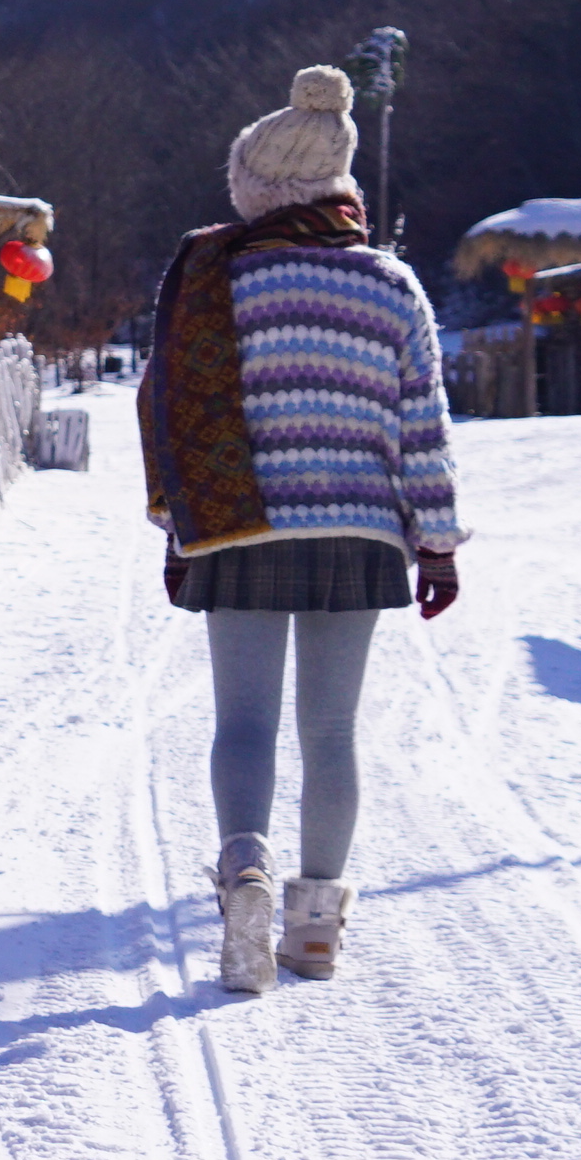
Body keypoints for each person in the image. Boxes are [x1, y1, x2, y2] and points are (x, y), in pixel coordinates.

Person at [132, 63, 461, 993]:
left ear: (254, 186)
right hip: (358, 536)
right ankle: (315, 927)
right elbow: (422, 430)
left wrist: (178, 527)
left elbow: (173, 417)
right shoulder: (392, 287)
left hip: (240, 527)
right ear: (339, 187)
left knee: (242, 723)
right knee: (332, 729)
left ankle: (243, 874)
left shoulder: (214, 282)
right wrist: (435, 543)